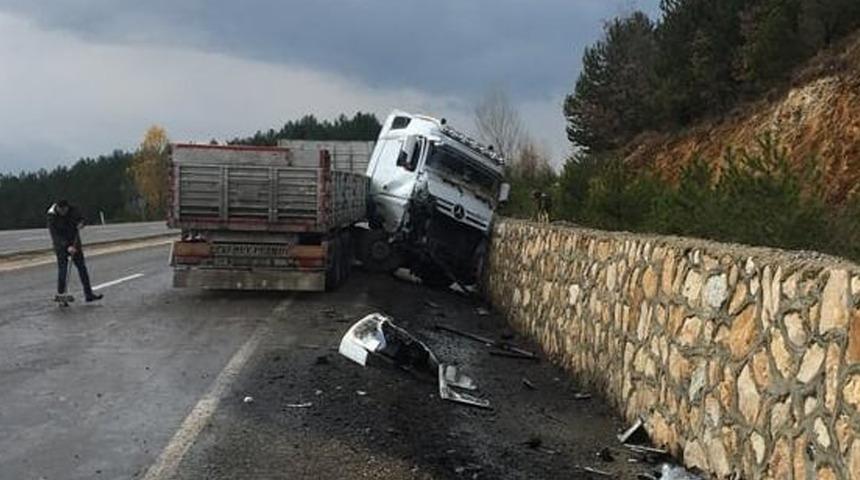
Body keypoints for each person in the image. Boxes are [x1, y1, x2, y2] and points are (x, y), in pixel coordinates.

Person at [47, 200, 103, 302]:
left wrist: (82, 223)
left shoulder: (73, 210)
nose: (64, 212)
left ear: (67, 207)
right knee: (63, 270)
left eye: (65, 210)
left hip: (74, 241)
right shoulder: (52, 216)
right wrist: (66, 246)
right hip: (61, 245)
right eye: (61, 211)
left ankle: (88, 294)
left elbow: (82, 218)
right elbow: (55, 236)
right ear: (58, 208)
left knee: (82, 268)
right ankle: (61, 294)